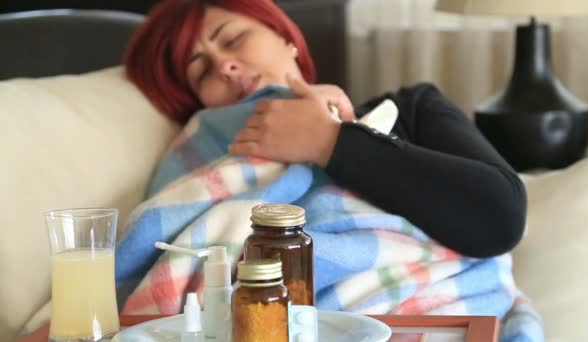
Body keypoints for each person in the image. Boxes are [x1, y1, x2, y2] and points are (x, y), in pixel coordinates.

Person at [124, 0, 526, 258]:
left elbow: (501, 218)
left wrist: (331, 142)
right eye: (202, 71)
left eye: (232, 39)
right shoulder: (208, 146)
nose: (225, 66)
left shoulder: (412, 108)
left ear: (284, 36)